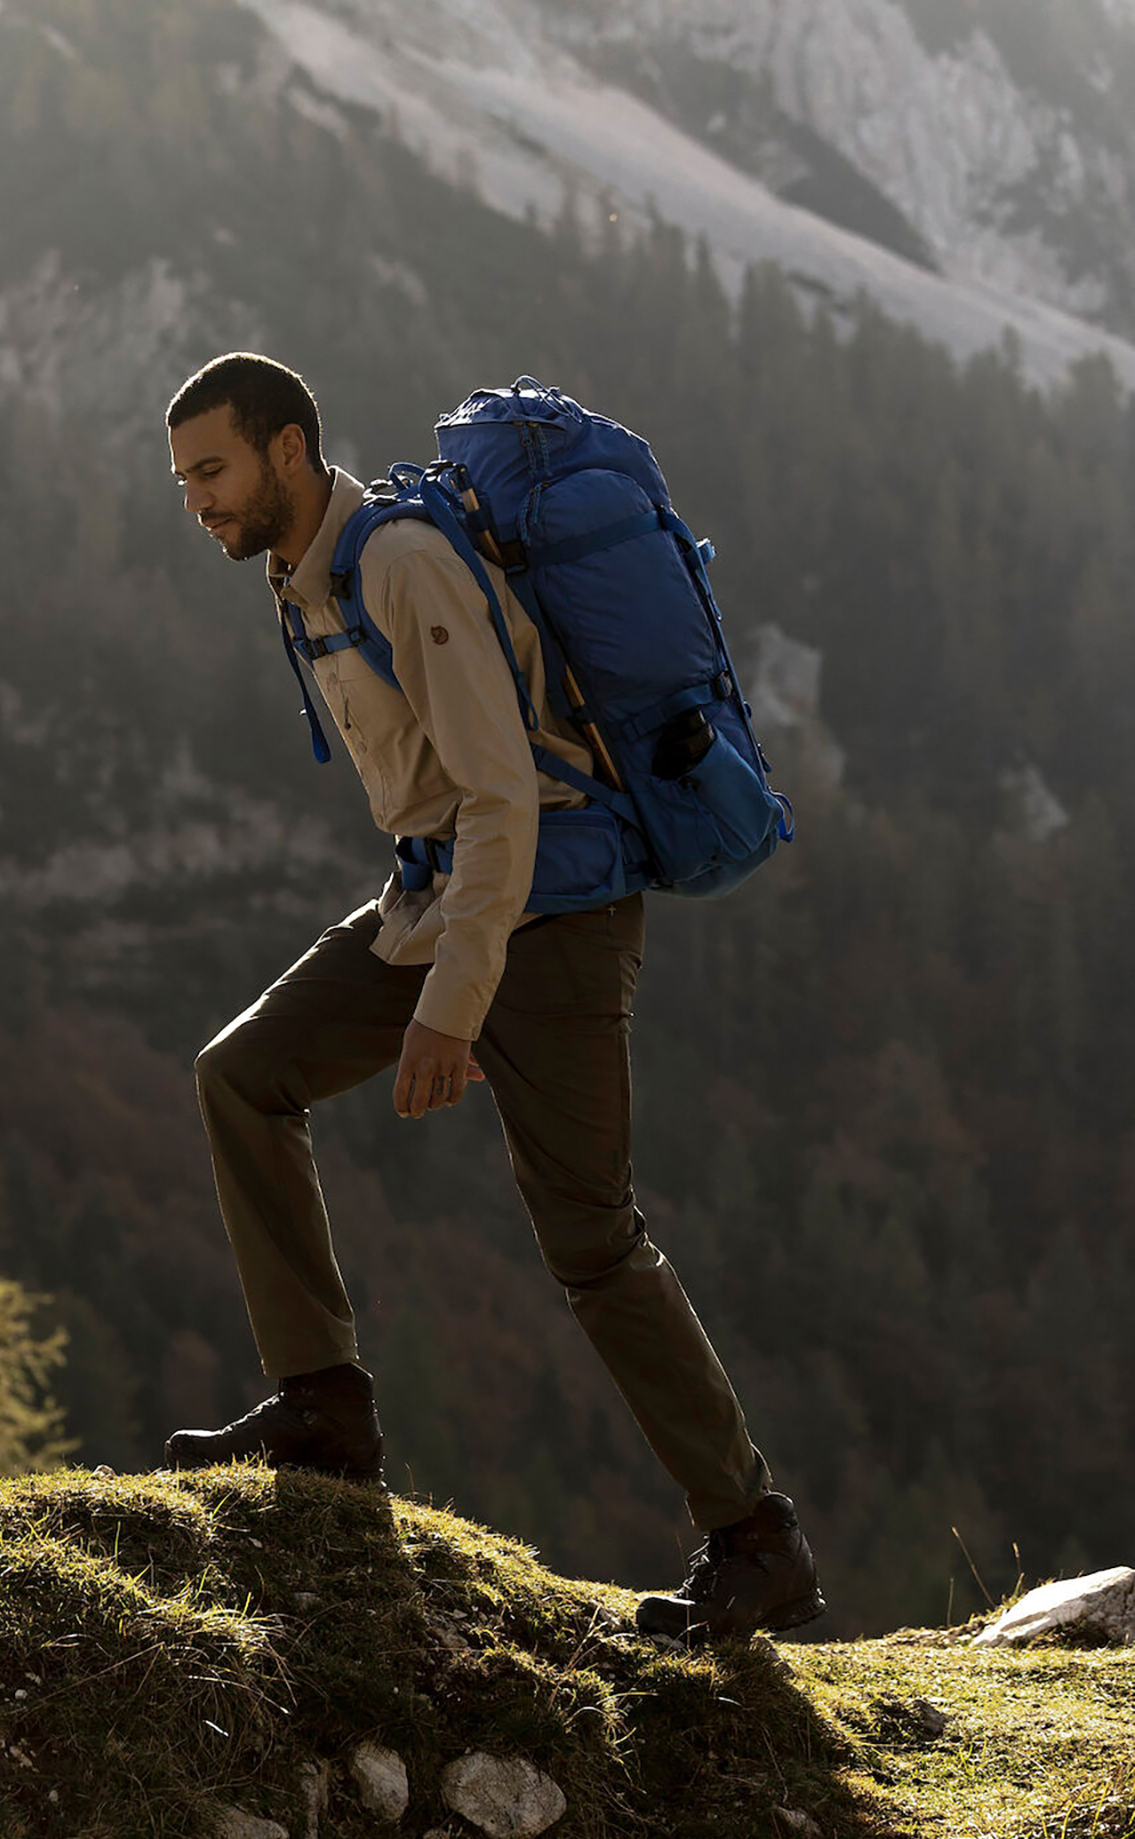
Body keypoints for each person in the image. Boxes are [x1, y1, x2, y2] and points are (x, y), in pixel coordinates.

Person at [161, 352, 823, 1642]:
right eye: (184, 478)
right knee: (242, 1074)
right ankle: (323, 1407)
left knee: (590, 1238)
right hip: (443, 901)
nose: (196, 501)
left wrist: (452, 1006)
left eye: (213, 471)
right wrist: (437, 951)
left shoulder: (398, 565)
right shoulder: (308, 579)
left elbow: (504, 794)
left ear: (289, 450)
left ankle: (758, 1543)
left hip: (550, 914)